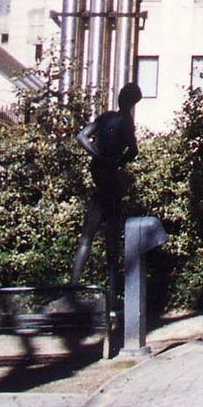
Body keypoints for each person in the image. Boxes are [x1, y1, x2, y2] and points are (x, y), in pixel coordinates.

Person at [70, 82, 141, 288]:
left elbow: (81, 136)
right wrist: (116, 161)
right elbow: (133, 151)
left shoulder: (108, 118)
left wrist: (97, 154)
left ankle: (74, 287)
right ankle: (109, 293)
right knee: (110, 240)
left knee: (88, 237)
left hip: (102, 180)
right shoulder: (124, 121)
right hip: (109, 181)